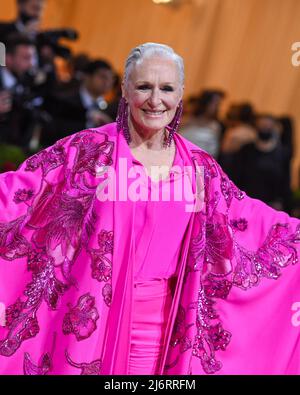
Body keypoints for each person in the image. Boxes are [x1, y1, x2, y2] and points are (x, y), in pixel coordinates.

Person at [0, 43, 299, 375]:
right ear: (125, 90)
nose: (156, 100)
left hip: (165, 333)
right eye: (144, 86)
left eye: (167, 88)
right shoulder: (89, 151)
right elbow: (21, 194)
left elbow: (249, 222)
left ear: (181, 93)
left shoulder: (200, 168)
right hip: (93, 319)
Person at [180, 89, 225, 158]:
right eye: (215, 104)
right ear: (205, 103)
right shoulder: (185, 121)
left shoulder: (215, 126)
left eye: (218, 104)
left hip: (200, 163)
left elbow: (214, 152)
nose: (217, 108)